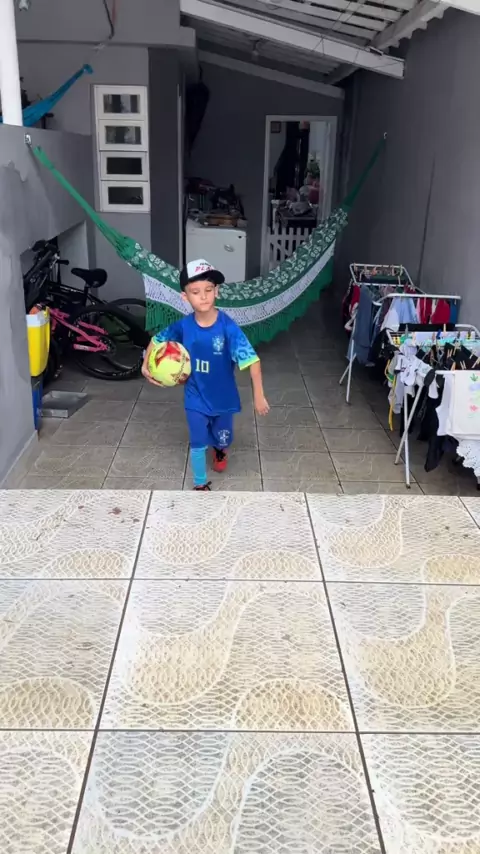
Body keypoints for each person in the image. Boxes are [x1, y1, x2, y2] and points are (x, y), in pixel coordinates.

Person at [141, 259, 269, 491]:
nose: (203, 296)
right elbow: (157, 339)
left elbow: (252, 360)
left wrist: (259, 395)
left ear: (216, 291)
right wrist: (146, 364)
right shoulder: (183, 326)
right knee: (198, 440)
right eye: (195, 292)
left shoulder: (228, 328)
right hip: (195, 396)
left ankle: (219, 450)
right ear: (185, 297)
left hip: (223, 397)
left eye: (208, 290)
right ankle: (200, 483)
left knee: (222, 437)